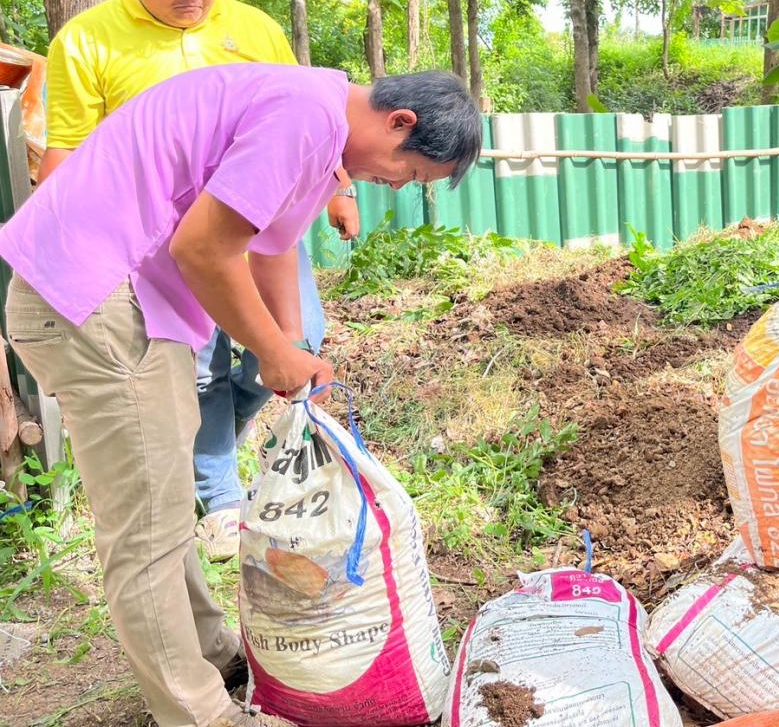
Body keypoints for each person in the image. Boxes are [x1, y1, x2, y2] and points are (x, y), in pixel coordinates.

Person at [1, 63, 481, 727]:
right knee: (146, 529)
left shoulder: (320, 127)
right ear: (401, 123)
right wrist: (272, 352)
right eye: (411, 171)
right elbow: (203, 248)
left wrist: (291, 341)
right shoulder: (305, 117)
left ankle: (211, 652)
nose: (396, 185)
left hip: (121, 302)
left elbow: (271, 244)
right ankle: (200, 715)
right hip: (97, 300)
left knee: (163, 505)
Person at [37, 0, 362, 560]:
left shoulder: (254, 28)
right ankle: (220, 497)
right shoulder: (87, 39)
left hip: (259, 224)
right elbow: (67, 150)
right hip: (163, 241)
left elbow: (311, 117)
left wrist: (341, 188)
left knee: (295, 338)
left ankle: (214, 451)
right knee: (203, 366)